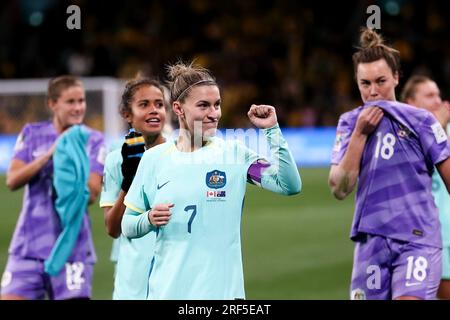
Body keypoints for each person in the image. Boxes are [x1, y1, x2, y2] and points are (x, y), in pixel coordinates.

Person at [121, 61, 301, 299]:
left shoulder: (235, 155)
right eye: (203, 105)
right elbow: (128, 225)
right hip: (168, 292)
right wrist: (149, 219)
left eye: (217, 105)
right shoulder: (154, 159)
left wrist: (272, 130)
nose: (213, 113)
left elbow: (289, 185)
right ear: (178, 108)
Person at [328, 28, 450, 300]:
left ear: (396, 77)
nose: (373, 91)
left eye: (380, 81)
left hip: (417, 239)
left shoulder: (422, 121)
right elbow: (339, 188)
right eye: (365, 83)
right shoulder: (349, 123)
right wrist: (360, 135)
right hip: (371, 242)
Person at [0, 75, 105, 300]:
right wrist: (49, 156)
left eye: (81, 101)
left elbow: (92, 193)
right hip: (28, 247)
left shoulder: (93, 140)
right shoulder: (32, 133)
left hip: (73, 249)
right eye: (71, 102)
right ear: (52, 104)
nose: (78, 108)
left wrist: (68, 164)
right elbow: (13, 179)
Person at [99, 77, 168, 299]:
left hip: (173, 273)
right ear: (127, 114)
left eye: (159, 104)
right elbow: (112, 228)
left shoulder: (181, 155)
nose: (154, 110)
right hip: (133, 279)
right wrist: (129, 182)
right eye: (144, 104)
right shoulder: (115, 160)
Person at [401, 75, 450, 299]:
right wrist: (437, 127)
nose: (438, 101)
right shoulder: (402, 136)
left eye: (438, 94)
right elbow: (410, 171)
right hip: (428, 236)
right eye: (430, 95)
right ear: (411, 102)